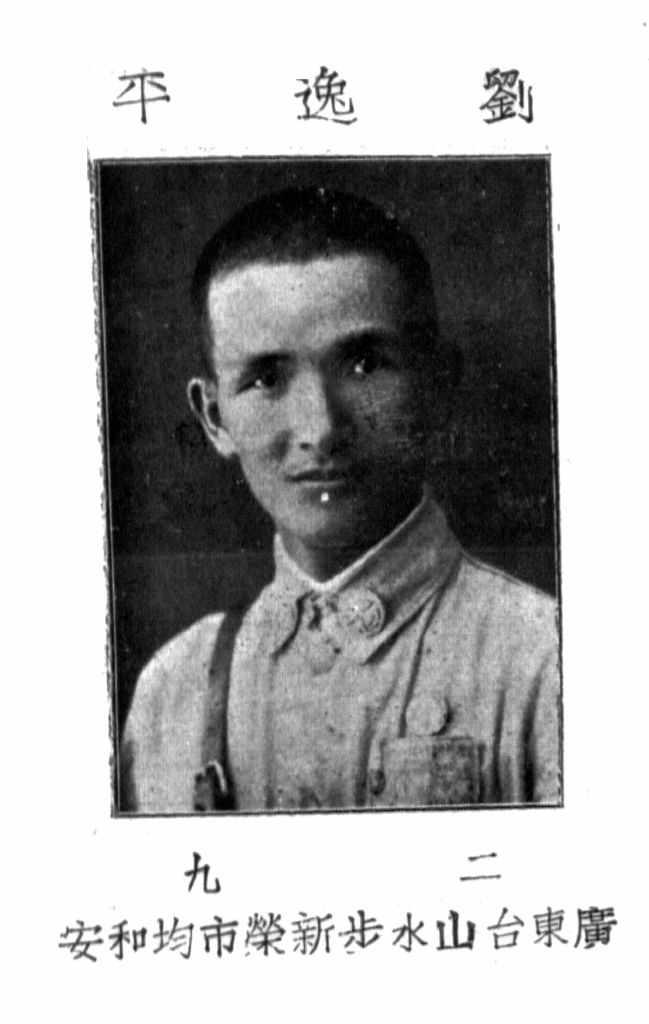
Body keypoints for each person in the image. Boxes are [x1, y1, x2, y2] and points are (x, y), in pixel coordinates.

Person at [120, 186, 560, 814]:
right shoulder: (173, 691)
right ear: (214, 417)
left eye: (363, 365)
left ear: (438, 383)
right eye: (267, 378)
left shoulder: (545, 660)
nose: (320, 428)